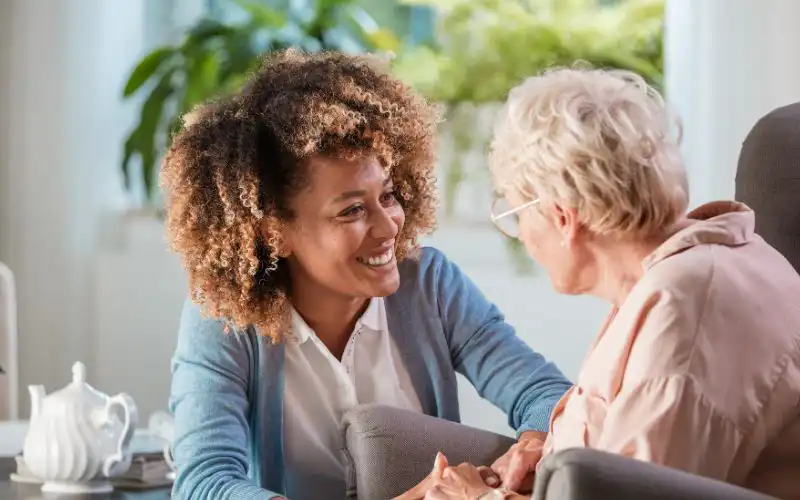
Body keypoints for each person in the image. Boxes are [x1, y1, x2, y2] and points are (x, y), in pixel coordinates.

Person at [162, 49, 572, 500]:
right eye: (352, 210)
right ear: (275, 231)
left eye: (389, 195)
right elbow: (204, 482)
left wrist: (531, 448)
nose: (388, 226)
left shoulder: (431, 286)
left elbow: (545, 394)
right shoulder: (224, 320)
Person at [419, 67, 800, 499]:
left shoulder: (682, 314)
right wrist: (553, 457)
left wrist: (480, 498)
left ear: (563, 217)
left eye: (515, 212)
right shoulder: (706, 264)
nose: (521, 234)